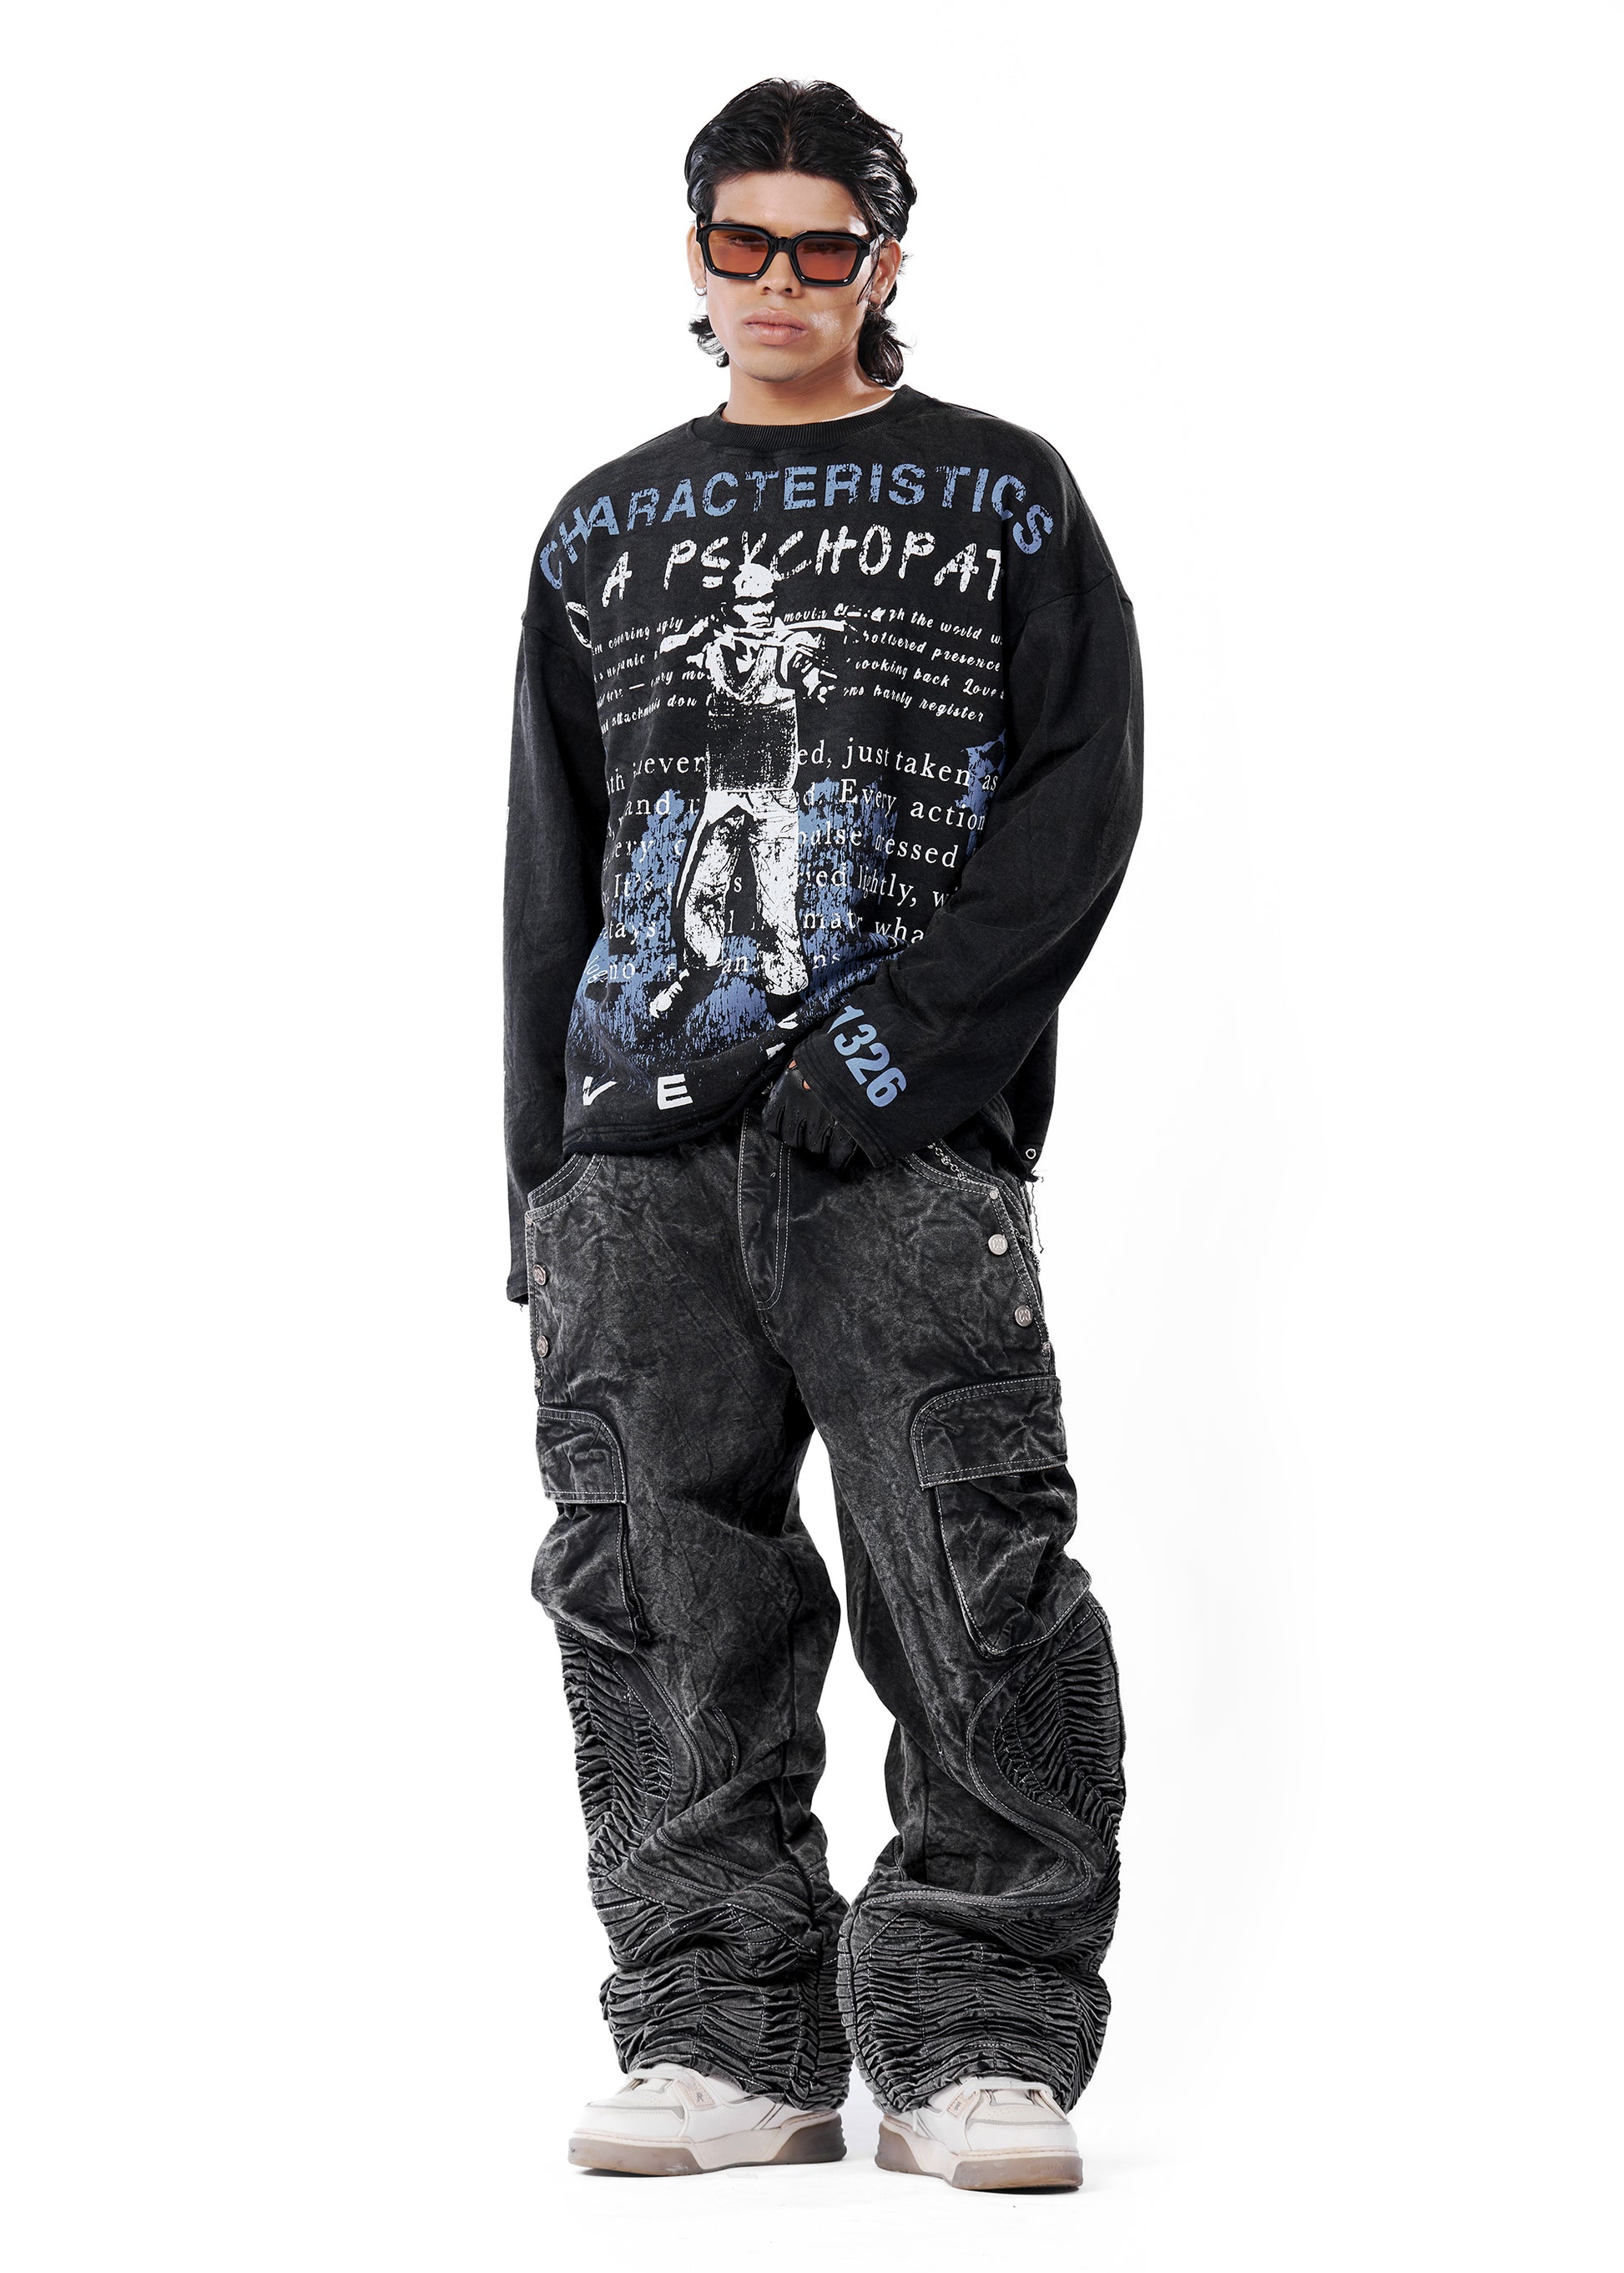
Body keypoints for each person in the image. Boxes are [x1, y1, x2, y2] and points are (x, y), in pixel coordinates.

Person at [503, 76, 1142, 2192]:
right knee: (656, 1589)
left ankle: (982, 2040)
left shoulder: (1003, 496)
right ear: (693, 255)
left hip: (901, 1146)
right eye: (740, 240)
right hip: (633, 1156)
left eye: (822, 244)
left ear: (884, 258)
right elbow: (554, 864)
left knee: (971, 1569)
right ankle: (721, 2034)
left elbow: (1074, 809)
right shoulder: (599, 527)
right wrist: (542, 1179)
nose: (778, 279)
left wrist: (899, 1060)